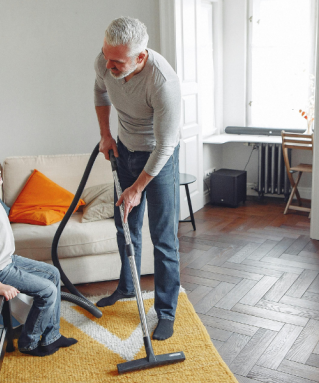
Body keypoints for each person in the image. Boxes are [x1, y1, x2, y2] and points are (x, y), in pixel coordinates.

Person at [93, 16, 181, 341]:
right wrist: (106, 135)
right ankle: (127, 288)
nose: (108, 65)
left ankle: (167, 313)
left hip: (159, 158)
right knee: (125, 227)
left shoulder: (163, 83)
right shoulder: (106, 61)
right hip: (125, 149)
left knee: (163, 237)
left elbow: (166, 145)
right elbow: (100, 91)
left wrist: (136, 188)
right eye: (106, 56)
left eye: (117, 61)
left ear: (140, 57)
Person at [0, 150, 78, 356]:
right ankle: (29, 342)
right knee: (47, 291)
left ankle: (51, 336)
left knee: (53, 273)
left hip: (5, 261)